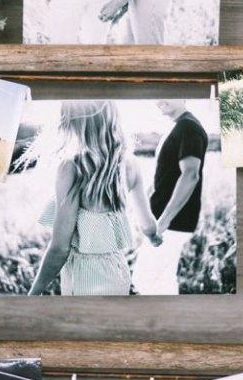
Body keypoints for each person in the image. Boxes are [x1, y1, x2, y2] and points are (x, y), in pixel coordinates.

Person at [28, 101, 160, 296]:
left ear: (75, 124)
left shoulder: (72, 167)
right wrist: (154, 237)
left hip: (83, 281)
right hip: (119, 274)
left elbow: (60, 249)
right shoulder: (131, 164)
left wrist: (34, 293)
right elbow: (148, 225)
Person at [132, 100, 208, 296]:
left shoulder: (188, 127)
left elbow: (191, 175)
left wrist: (163, 221)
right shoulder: (179, 126)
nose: (159, 100)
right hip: (166, 223)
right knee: (162, 283)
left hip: (170, 224)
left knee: (144, 281)